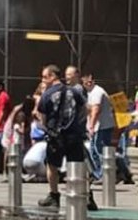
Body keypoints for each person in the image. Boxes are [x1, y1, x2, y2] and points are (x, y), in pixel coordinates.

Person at [36, 64, 96, 210]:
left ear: (52, 76)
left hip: (56, 136)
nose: (43, 80)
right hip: (74, 135)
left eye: (45, 77)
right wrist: (77, 124)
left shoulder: (47, 94)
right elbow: (86, 109)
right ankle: (87, 196)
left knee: (52, 165)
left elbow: (42, 117)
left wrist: (48, 128)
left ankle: (54, 195)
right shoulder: (74, 91)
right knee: (78, 165)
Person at [82, 74, 116, 182]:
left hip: (102, 126)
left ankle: (103, 175)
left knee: (99, 150)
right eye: (86, 81)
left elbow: (96, 110)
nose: (88, 83)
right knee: (95, 150)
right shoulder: (90, 92)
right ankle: (99, 174)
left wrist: (91, 125)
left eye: (90, 80)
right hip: (100, 126)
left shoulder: (97, 92)